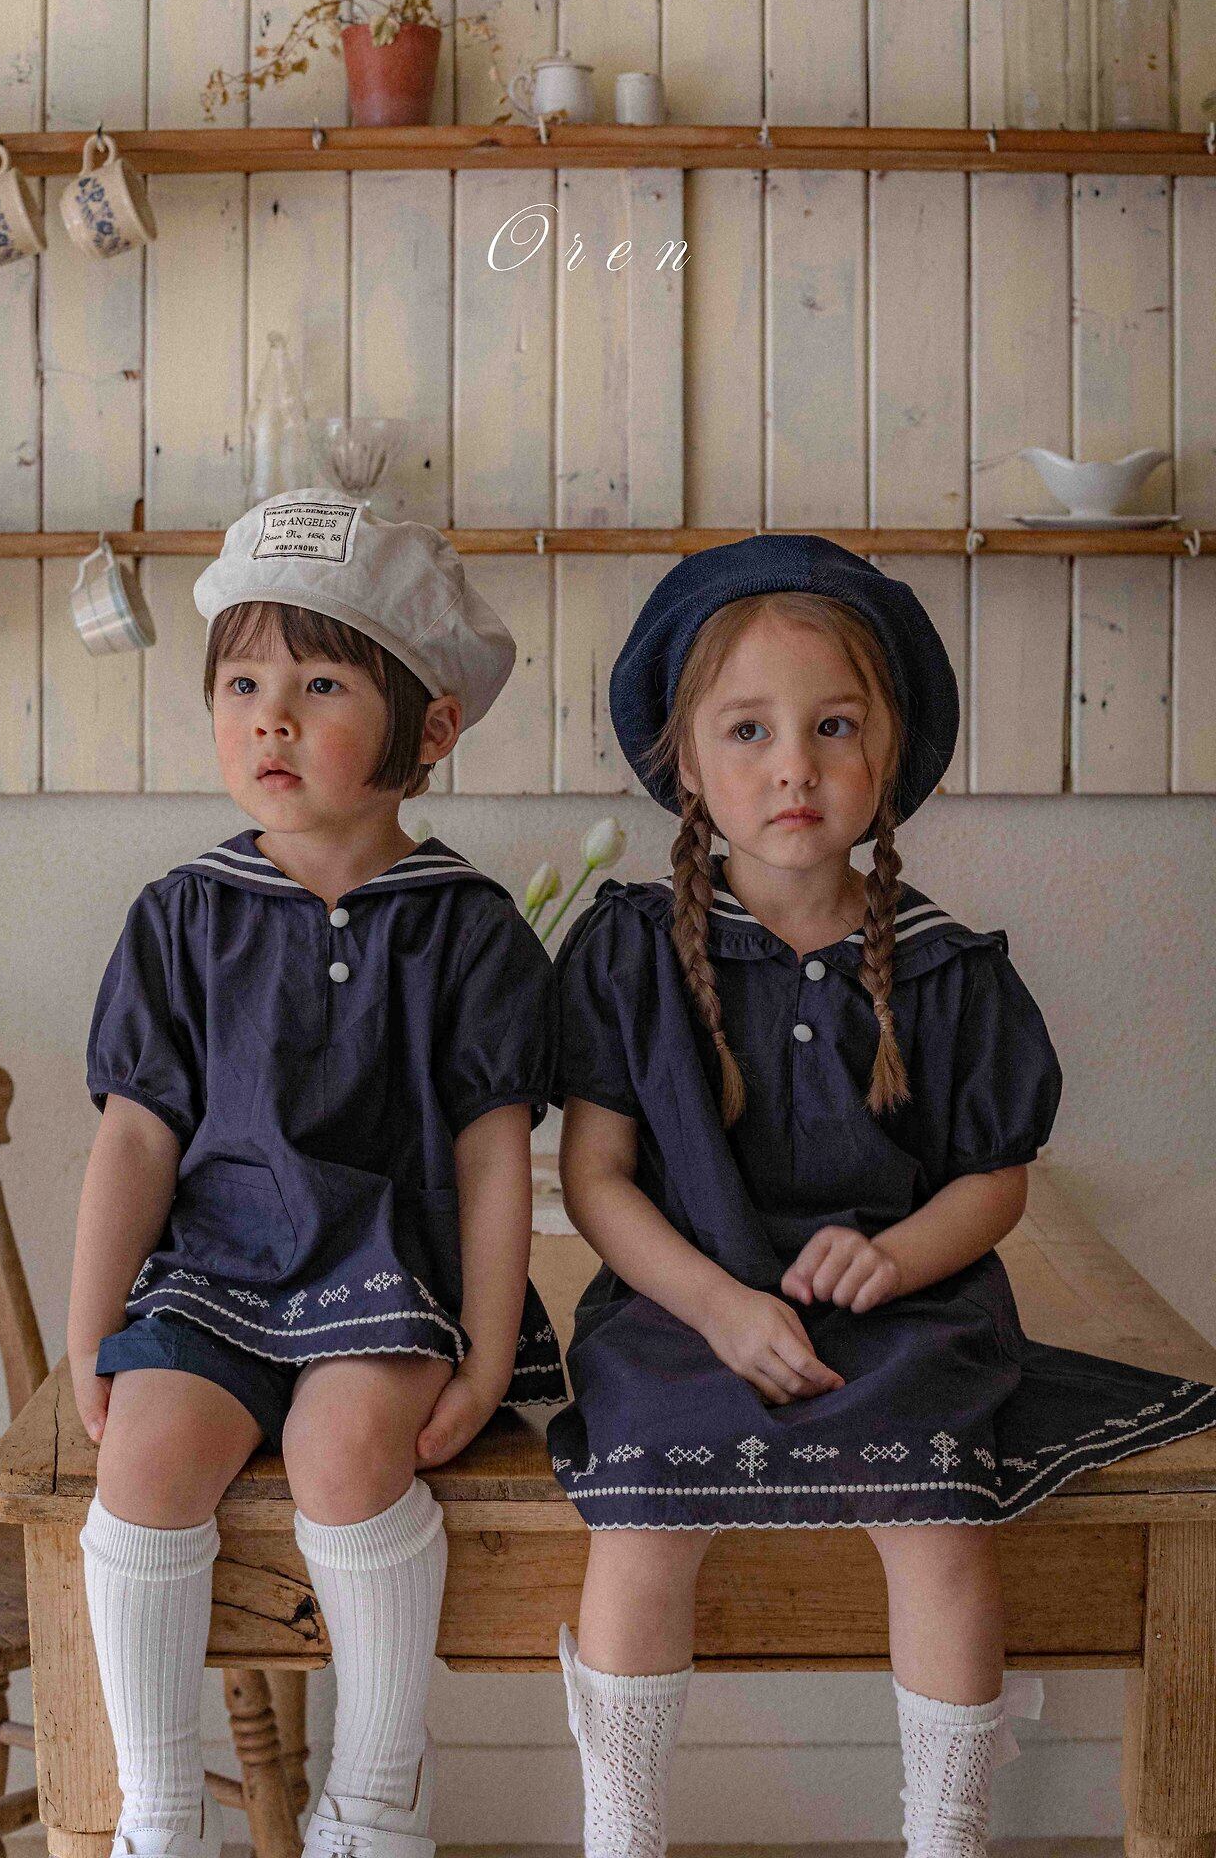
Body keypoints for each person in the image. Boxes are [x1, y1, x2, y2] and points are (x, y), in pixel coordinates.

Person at [545, 533, 1216, 1858]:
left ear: (889, 753)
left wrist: (900, 1258)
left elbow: (994, 1180)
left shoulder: (947, 971)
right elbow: (598, 1179)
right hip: (687, 1306)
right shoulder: (632, 952)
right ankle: (621, 1836)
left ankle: (947, 1837)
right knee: (641, 1518)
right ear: (688, 765)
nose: (793, 765)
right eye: (748, 729)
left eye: (834, 726)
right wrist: (720, 1306)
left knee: (938, 1519)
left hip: (905, 1310)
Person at [68, 490, 564, 1858]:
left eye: (321, 685)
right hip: (214, 1274)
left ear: (431, 730)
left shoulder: (468, 930)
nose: (270, 720)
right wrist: (89, 1334)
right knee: (145, 1456)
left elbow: (493, 1162)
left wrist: (483, 1356)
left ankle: (380, 1790)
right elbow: (135, 1140)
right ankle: (160, 1807)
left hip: (384, 1274)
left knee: (348, 1452)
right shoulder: (182, 917)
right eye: (242, 685)